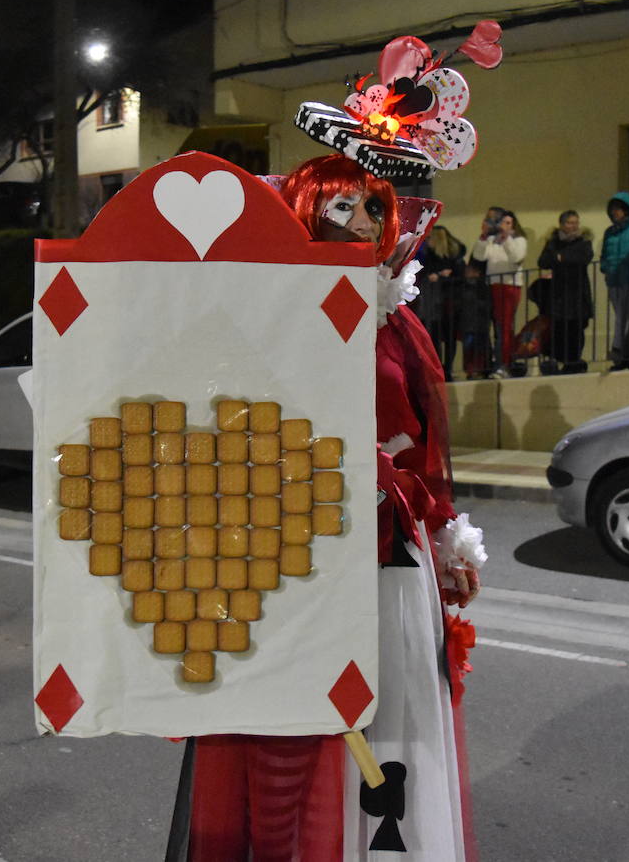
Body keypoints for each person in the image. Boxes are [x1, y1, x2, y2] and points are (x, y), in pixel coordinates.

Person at [183, 154, 485, 860]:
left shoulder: (398, 323)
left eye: (374, 207)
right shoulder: (263, 319)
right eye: (340, 206)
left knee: (389, 741)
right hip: (297, 562)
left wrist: (446, 542)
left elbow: (426, 451)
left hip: (387, 563)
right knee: (298, 749)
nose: (362, 222)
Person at [536, 209, 594, 374]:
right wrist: (561, 257)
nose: (574, 225)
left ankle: (574, 361)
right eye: (569, 222)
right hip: (559, 294)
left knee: (577, 328)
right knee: (560, 329)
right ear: (561, 224)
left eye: (576, 222)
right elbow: (543, 261)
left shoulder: (584, 241)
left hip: (578, 293)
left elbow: (585, 257)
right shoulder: (553, 241)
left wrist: (561, 257)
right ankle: (561, 360)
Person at [471, 208, 527, 376]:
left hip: (509, 285)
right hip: (492, 285)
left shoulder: (519, 240)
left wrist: (506, 239)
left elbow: (516, 257)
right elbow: (479, 256)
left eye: (508, 223)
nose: (505, 226)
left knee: (504, 326)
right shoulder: (492, 240)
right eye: (502, 222)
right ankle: (496, 362)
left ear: (514, 225)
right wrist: (483, 236)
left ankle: (504, 364)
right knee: (497, 326)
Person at [599, 193, 629, 370]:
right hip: (614, 279)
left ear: (626, 210)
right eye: (612, 209)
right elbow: (604, 254)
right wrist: (605, 267)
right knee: (622, 316)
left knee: (625, 316)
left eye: (617, 209)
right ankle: (626, 358)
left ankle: (619, 352)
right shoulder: (609, 232)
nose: (614, 212)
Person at [412, 225, 464, 379]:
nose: (427, 242)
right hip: (433, 304)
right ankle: (437, 368)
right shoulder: (429, 258)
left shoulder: (454, 258)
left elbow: (460, 277)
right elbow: (424, 275)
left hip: (450, 303)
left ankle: (447, 369)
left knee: (449, 338)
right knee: (434, 337)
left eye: (429, 238)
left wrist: (442, 277)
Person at [458, 255, 492, 378]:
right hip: (468, 324)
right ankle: (470, 370)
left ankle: (479, 369)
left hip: (479, 324)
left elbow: (486, 305)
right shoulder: (464, 286)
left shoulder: (482, 287)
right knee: (469, 350)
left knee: (479, 349)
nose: (467, 272)